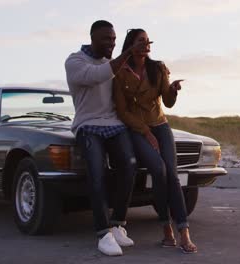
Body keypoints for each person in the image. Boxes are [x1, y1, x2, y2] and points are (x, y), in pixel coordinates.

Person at [65, 20, 147, 256]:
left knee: (130, 165)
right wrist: (127, 53)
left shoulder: (115, 63)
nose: (111, 43)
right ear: (92, 38)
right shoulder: (75, 61)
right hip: (88, 124)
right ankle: (103, 233)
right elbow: (99, 75)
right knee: (97, 172)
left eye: (113, 39)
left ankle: (118, 223)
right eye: (106, 39)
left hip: (113, 124)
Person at [112, 28, 198, 254]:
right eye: (141, 41)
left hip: (161, 126)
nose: (146, 44)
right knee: (158, 169)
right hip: (137, 129)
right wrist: (145, 132)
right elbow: (122, 112)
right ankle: (166, 230)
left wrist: (173, 90)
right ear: (131, 45)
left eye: (147, 40)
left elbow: (167, 103)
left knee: (172, 173)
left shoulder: (158, 68)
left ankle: (183, 233)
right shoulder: (119, 72)